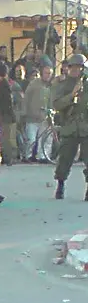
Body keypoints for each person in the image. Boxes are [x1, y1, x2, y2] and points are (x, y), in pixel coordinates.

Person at [51, 53, 88, 200]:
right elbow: (57, 104)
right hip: (70, 127)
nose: (75, 70)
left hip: (86, 127)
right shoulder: (63, 85)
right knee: (64, 159)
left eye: (79, 68)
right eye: (72, 67)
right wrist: (72, 95)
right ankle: (60, 184)